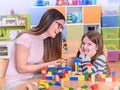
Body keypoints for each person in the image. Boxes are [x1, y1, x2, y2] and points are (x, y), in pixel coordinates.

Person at [5, 8, 65, 90]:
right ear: (49, 20)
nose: (60, 30)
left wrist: (54, 66)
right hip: (16, 82)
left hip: (33, 78)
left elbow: (37, 66)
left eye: (62, 28)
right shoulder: (26, 38)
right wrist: (48, 65)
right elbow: (21, 68)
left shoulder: (44, 41)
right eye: (59, 25)